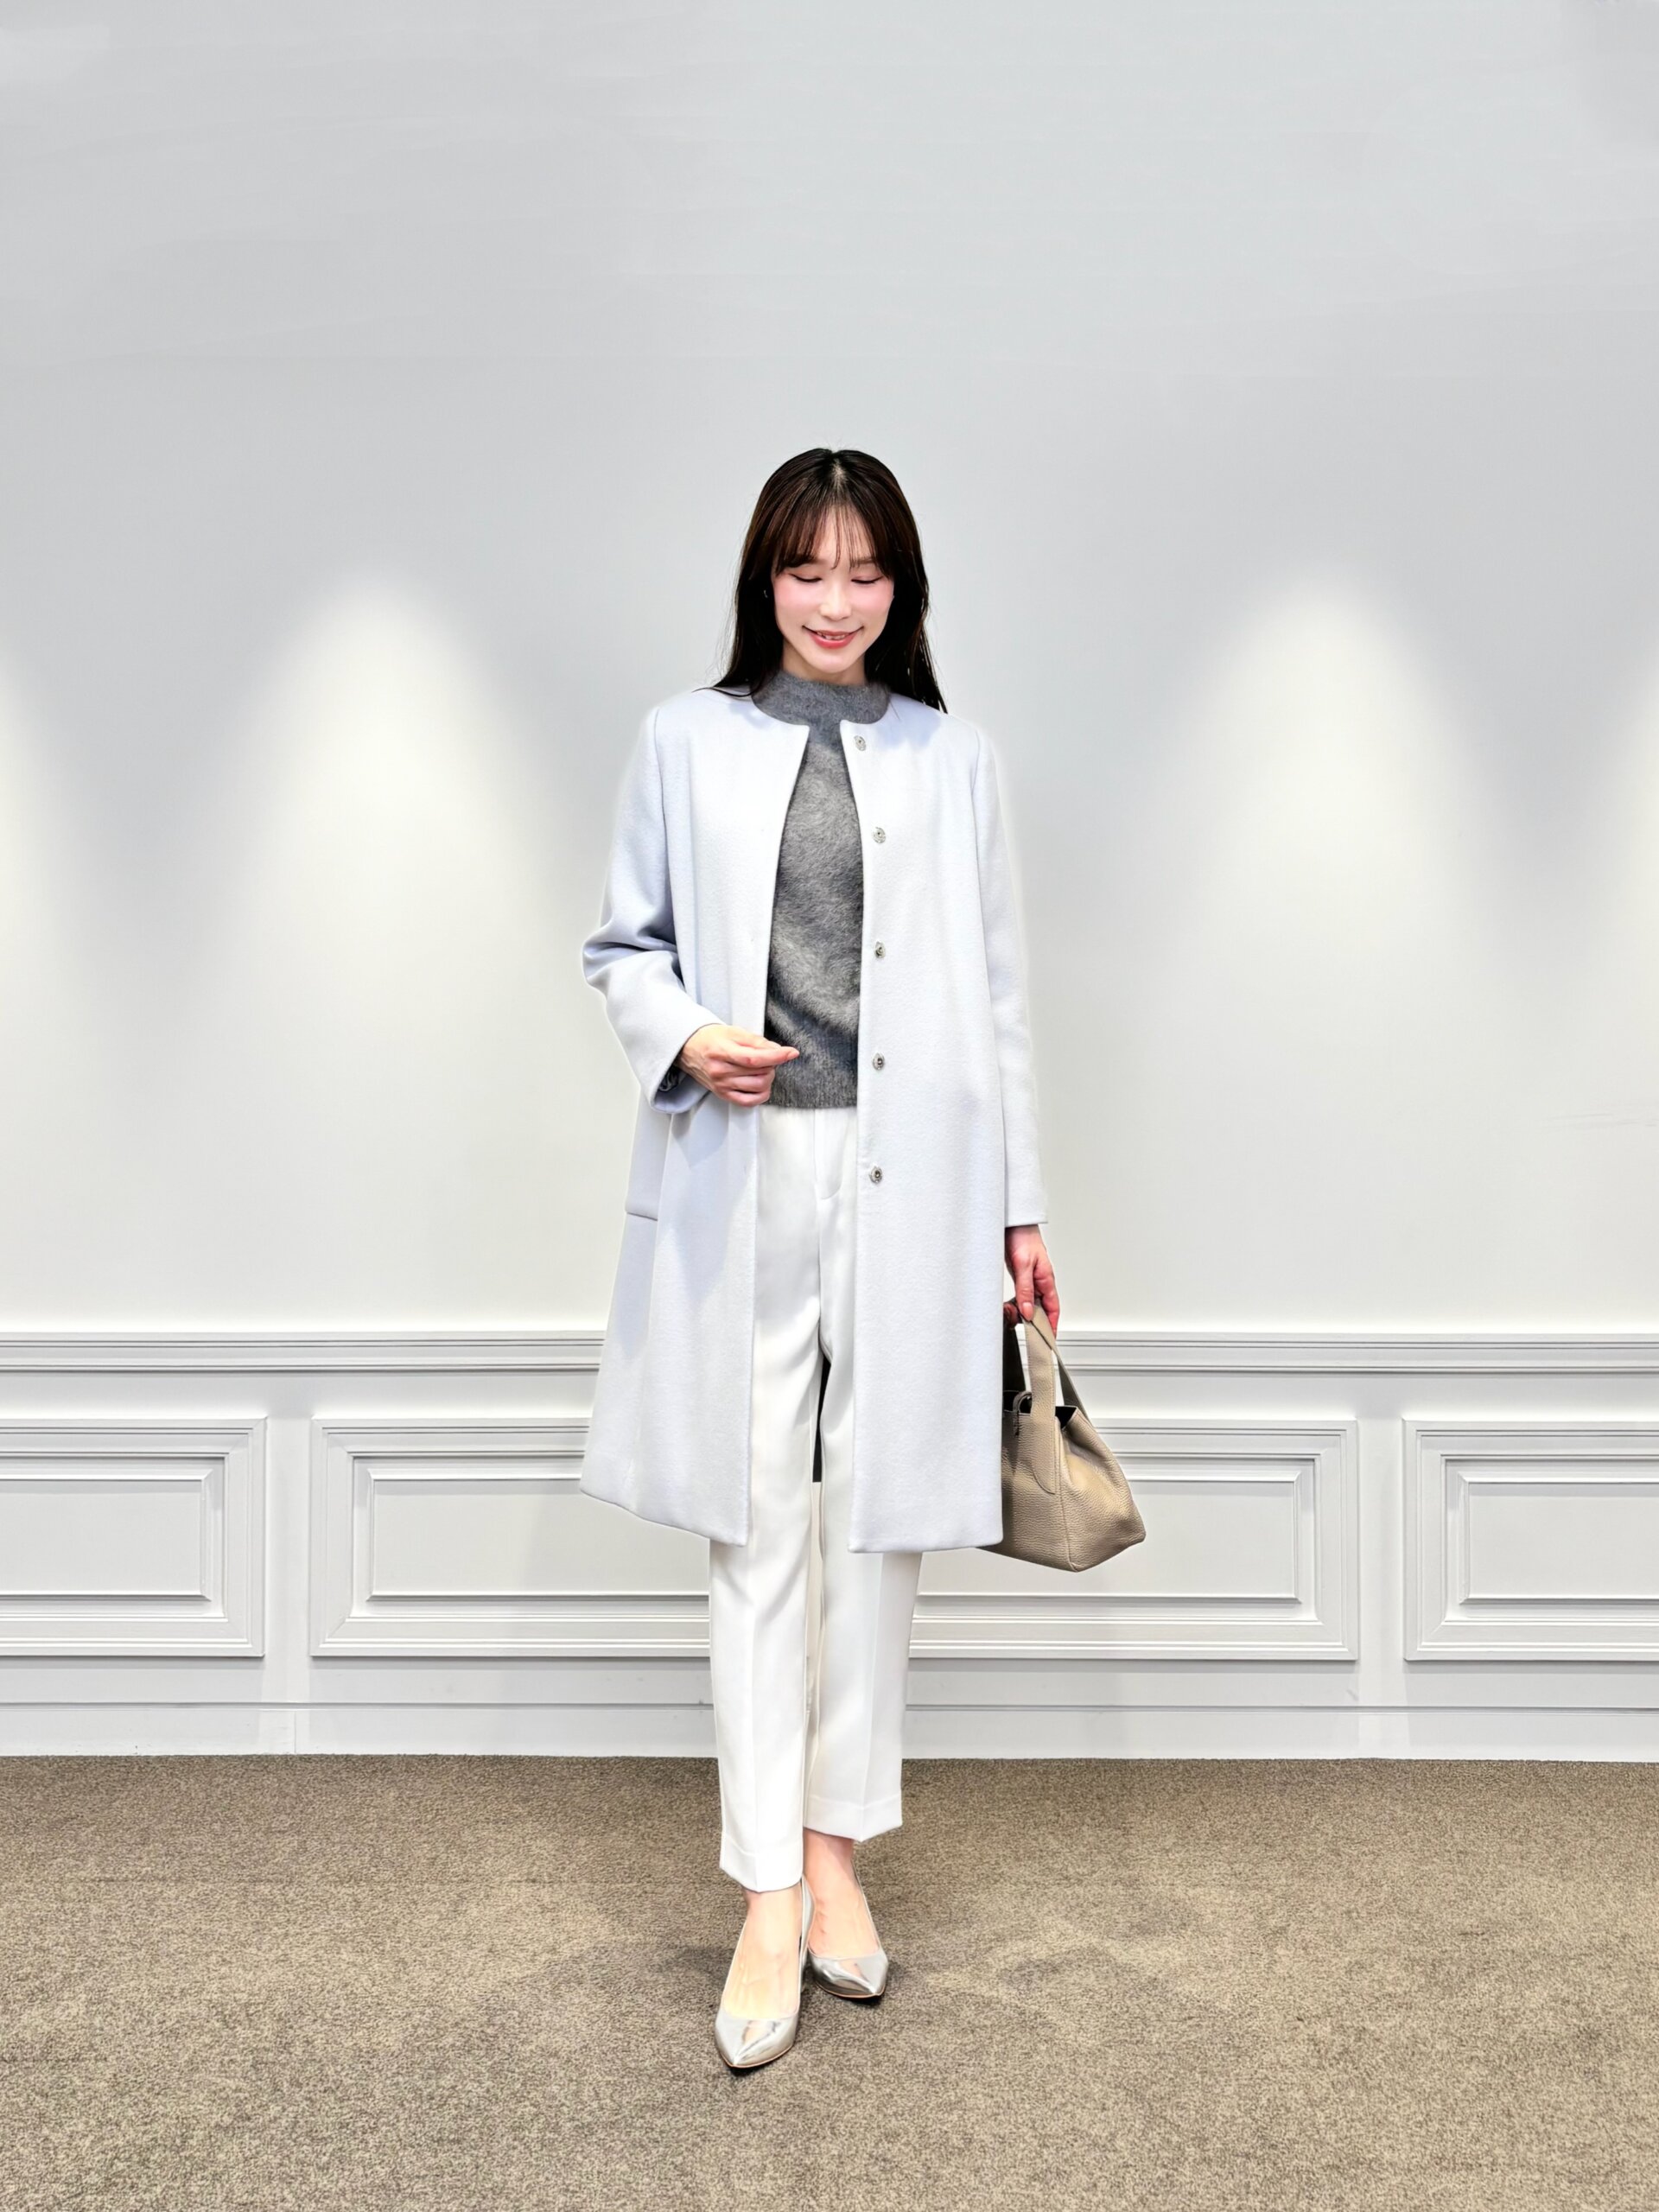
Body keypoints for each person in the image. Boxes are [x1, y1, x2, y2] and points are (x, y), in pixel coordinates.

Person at [580, 447, 1058, 2069]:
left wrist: (1021, 1210)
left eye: (865, 571)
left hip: (916, 1179)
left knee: (880, 1528)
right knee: (753, 1524)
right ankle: (765, 1889)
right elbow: (623, 945)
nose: (836, 600)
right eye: (807, 569)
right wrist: (687, 1034)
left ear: (901, 585)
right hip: (745, 1168)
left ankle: (839, 1857)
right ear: (764, 580)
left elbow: (997, 1000)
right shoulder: (684, 739)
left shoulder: (953, 757)